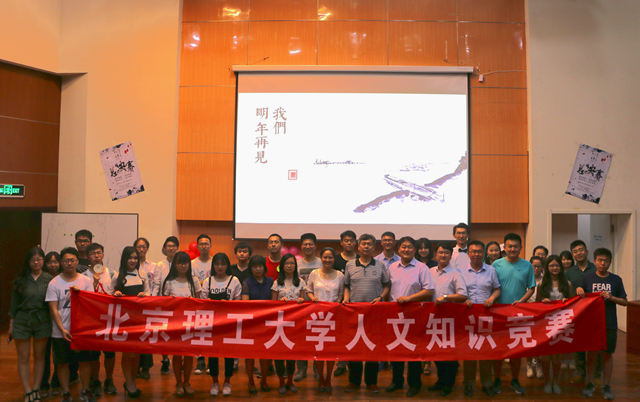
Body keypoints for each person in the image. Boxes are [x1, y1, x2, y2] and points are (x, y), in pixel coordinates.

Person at [385, 237, 434, 398]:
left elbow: (429, 290)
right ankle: (397, 381)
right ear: (399, 249)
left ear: (415, 249)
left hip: (415, 315)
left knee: (414, 350)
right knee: (396, 350)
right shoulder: (392, 267)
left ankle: (414, 384)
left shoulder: (422, 268)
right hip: (395, 315)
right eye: (404, 247)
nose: (406, 250)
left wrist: (409, 299)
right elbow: (388, 289)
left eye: (410, 247)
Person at [45, 247, 96, 402]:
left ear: (77, 261)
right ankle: (66, 392)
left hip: (81, 330)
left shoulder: (86, 281)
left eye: (72, 260)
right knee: (62, 363)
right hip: (60, 331)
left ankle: (85, 390)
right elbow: (53, 309)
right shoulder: (54, 283)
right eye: (66, 260)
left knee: (85, 361)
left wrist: (80, 294)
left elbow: (90, 305)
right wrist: (62, 329)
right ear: (61, 262)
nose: (69, 263)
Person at [577, 248, 628, 401]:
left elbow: (625, 302)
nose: (603, 263)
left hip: (609, 323)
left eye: (606, 260)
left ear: (610, 262)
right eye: (600, 260)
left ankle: (606, 386)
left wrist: (612, 297)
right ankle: (590, 383)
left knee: (607, 354)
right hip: (591, 323)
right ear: (594, 261)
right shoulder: (587, 278)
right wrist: (579, 289)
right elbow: (580, 297)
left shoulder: (616, 279)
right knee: (591, 354)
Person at [343, 233, 390, 394]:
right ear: (358, 246)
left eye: (369, 244)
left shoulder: (380, 265)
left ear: (374, 247)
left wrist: (381, 297)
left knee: (372, 348)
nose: (366, 246)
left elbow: (386, 285)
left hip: (373, 313)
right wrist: (346, 299)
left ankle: (371, 382)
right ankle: (354, 381)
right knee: (354, 347)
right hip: (354, 313)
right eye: (363, 244)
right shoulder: (350, 264)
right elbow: (346, 285)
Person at [491, 233, 536, 395]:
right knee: (498, 349)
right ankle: (497, 379)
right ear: (504, 247)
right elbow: (492, 286)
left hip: (518, 313)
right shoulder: (496, 264)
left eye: (516, 246)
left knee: (516, 349)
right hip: (498, 313)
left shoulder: (527, 265)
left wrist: (521, 301)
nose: (512, 249)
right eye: (509, 246)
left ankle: (515, 380)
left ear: (520, 248)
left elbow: (531, 288)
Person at [9, 247, 53, 402]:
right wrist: (11, 324)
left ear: (43, 261)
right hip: (22, 321)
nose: (36, 262)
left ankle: (36, 388)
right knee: (23, 357)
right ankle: (27, 391)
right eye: (33, 259)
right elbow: (14, 304)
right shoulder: (21, 279)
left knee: (40, 356)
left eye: (39, 259)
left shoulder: (50, 279)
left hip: (43, 321)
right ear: (28, 262)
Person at [460, 240, 501, 397]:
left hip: (486, 315)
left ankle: (486, 383)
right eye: (473, 251)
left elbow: (497, 289)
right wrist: (463, 299)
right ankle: (468, 383)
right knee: (469, 351)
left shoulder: (491, 270)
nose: (476, 254)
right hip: (468, 316)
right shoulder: (461, 271)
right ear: (468, 254)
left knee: (486, 351)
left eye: (479, 251)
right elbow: (456, 290)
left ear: (483, 253)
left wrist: (492, 298)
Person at [427, 242, 468, 397]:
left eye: (446, 253)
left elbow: (463, 294)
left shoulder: (456, 274)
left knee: (449, 354)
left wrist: (445, 297)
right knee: (436, 353)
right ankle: (440, 381)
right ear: (436, 255)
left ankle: (448, 384)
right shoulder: (429, 272)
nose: (443, 255)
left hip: (449, 320)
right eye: (440, 252)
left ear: (451, 256)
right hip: (432, 318)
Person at [201, 253, 242, 396]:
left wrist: (229, 304)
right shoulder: (207, 281)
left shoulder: (234, 280)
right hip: (212, 324)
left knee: (228, 354)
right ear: (213, 266)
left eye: (223, 264)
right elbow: (202, 302)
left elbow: (239, 301)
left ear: (227, 265)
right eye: (217, 264)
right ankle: (214, 382)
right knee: (212, 355)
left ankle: (227, 382)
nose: (220, 267)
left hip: (229, 323)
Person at [111, 246, 149, 399]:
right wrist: (116, 294)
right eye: (130, 258)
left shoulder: (143, 275)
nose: (133, 261)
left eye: (135, 258)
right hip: (124, 320)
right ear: (124, 259)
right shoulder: (117, 276)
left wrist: (144, 295)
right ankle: (129, 381)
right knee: (127, 352)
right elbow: (108, 295)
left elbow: (149, 293)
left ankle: (132, 381)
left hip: (139, 319)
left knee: (136, 351)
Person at [162, 251, 201, 396]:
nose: (183, 265)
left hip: (191, 323)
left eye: (185, 263)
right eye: (180, 263)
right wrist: (171, 301)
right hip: (174, 323)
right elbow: (164, 304)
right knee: (177, 354)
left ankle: (187, 382)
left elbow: (199, 302)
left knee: (189, 354)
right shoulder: (169, 281)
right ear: (175, 264)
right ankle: (178, 382)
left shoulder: (194, 281)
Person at [307, 247, 345, 392]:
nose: (327, 260)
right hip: (317, 317)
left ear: (334, 259)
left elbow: (341, 293)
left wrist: (338, 301)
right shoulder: (314, 273)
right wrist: (313, 299)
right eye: (325, 257)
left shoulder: (340, 275)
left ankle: (328, 378)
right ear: (321, 258)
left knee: (331, 350)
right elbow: (309, 290)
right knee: (319, 350)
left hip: (333, 317)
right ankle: (321, 378)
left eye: (330, 257)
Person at [565, 239, 602, 385]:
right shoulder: (569, 272)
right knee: (578, 343)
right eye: (575, 251)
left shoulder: (596, 269)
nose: (578, 253)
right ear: (572, 255)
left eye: (581, 250)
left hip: (594, 312)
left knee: (595, 343)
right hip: (577, 312)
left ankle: (597, 374)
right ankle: (581, 373)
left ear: (586, 252)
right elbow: (566, 292)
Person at [82, 243, 117, 396]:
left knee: (110, 352)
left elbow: (116, 292)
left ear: (103, 254)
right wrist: (94, 283)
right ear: (87, 257)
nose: (96, 256)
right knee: (94, 354)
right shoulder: (83, 276)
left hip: (109, 319)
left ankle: (109, 379)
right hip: (93, 320)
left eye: (98, 253)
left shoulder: (112, 273)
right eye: (92, 253)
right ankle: (95, 380)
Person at [535, 254, 571, 395]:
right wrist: (543, 302)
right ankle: (547, 381)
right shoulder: (541, 284)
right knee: (546, 355)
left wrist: (567, 301)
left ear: (561, 267)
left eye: (557, 265)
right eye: (551, 265)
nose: (554, 268)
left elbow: (573, 304)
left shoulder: (567, 284)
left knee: (558, 355)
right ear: (547, 267)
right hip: (546, 323)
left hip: (561, 323)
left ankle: (555, 381)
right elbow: (537, 305)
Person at [271, 253, 306, 394]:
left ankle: (290, 382)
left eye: (292, 263)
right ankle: (281, 381)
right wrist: (280, 302)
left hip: (295, 323)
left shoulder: (301, 282)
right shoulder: (277, 283)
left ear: (295, 266)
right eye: (286, 263)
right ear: (282, 266)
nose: (289, 266)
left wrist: (301, 301)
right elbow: (272, 304)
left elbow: (303, 303)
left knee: (292, 354)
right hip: (280, 323)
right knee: (279, 355)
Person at [241, 255, 274, 394]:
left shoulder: (271, 281)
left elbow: (274, 302)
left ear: (264, 267)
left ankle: (264, 380)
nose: (258, 269)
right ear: (251, 268)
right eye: (255, 266)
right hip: (251, 323)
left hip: (267, 323)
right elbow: (245, 304)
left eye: (260, 266)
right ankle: (250, 381)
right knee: (250, 354)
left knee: (264, 354)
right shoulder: (247, 282)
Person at [295, 233, 322, 381]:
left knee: (318, 338)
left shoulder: (321, 262)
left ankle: (317, 369)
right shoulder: (296, 264)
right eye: (305, 244)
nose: (308, 246)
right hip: (300, 306)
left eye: (310, 244)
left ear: (315, 246)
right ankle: (302, 369)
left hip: (318, 306)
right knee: (301, 339)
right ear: (301, 246)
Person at [152, 236, 179, 375]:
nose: (171, 248)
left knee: (176, 332)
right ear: (164, 248)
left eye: (174, 246)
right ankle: (165, 359)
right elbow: (156, 283)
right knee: (163, 332)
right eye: (169, 246)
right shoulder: (159, 265)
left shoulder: (181, 263)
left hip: (177, 303)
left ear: (177, 248)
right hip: (163, 303)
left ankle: (178, 359)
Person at [332, 231, 356, 378]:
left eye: (351, 240)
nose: (349, 243)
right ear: (341, 242)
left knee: (353, 335)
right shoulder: (335, 260)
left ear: (355, 243)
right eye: (346, 240)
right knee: (341, 335)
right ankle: (341, 364)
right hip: (339, 303)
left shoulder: (359, 259)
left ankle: (353, 363)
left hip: (356, 303)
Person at [133, 237, 155, 380]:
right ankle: (135, 367)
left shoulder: (153, 266)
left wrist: (152, 299)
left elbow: (156, 284)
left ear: (147, 248)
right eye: (139, 246)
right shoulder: (129, 265)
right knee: (135, 337)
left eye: (144, 246)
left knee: (147, 336)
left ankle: (146, 367)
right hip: (134, 307)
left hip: (149, 304)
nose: (141, 249)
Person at [40, 252, 62, 398]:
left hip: (61, 322)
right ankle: (43, 384)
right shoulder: (42, 278)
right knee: (44, 355)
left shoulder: (63, 278)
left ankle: (57, 383)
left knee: (59, 355)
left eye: (55, 262)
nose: (53, 265)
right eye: (49, 262)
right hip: (45, 322)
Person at [191, 234, 212, 375]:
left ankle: (211, 361)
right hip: (197, 301)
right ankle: (200, 361)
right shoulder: (192, 263)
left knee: (211, 333)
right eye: (201, 244)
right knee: (199, 333)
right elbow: (191, 281)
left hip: (211, 301)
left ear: (210, 246)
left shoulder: (215, 261)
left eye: (206, 243)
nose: (204, 246)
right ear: (197, 246)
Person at [526, 255, 545, 380]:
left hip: (541, 314)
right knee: (528, 340)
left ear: (542, 267)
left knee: (539, 341)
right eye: (534, 266)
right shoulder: (525, 278)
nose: (536, 268)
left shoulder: (545, 280)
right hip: (527, 312)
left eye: (538, 266)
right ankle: (529, 364)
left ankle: (538, 364)